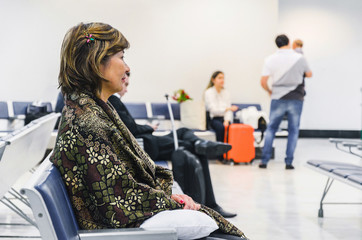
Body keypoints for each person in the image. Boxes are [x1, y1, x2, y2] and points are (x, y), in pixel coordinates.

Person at [50, 22, 246, 239]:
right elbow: (117, 199)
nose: (127, 68)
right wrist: (169, 200)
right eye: (122, 57)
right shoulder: (88, 122)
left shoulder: (91, 109)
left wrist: (169, 197)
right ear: (96, 62)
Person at [109, 72, 236, 218]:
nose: (126, 89)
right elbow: (132, 129)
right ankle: (211, 203)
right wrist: (149, 127)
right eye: (125, 85)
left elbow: (129, 127)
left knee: (182, 131)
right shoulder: (114, 100)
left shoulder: (114, 101)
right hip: (147, 144)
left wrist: (147, 128)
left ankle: (200, 143)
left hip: (149, 141)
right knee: (190, 147)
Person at [259, 34, 312, 170]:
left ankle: (264, 160)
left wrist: (270, 91)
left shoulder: (270, 59)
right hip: (296, 98)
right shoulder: (299, 58)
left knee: (271, 129)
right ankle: (289, 162)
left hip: (277, 97)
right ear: (289, 42)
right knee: (293, 131)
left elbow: (263, 81)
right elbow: (309, 74)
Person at [204, 71, 239, 143]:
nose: (222, 80)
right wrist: (227, 109)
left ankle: (229, 152)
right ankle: (220, 152)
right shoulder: (208, 92)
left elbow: (229, 110)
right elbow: (213, 110)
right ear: (213, 80)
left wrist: (227, 120)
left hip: (224, 118)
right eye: (219, 78)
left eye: (223, 78)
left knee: (231, 128)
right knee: (220, 128)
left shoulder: (226, 92)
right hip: (213, 119)